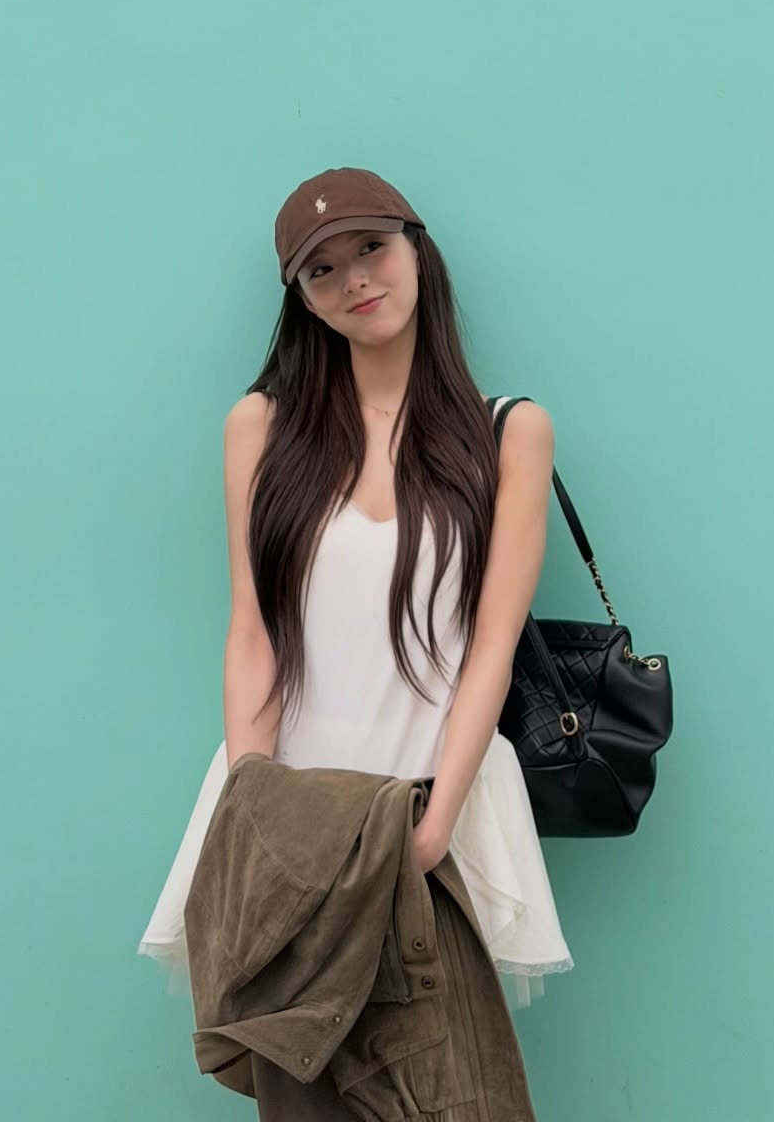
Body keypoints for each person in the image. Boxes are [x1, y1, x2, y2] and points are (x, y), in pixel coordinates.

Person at [137, 165, 574, 1025]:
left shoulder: (510, 433)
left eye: (371, 247)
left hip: (435, 797)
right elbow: (254, 631)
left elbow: (492, 644)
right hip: (290, 803)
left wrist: (434, 827)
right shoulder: (261, 428)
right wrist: (256, 810)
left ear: (417, 251)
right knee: (296, 1069)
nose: (355, 280)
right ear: (302, 298)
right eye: (322, 268)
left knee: (436, 1067)